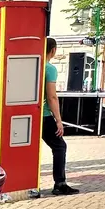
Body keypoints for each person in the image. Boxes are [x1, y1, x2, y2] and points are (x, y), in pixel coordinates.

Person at [42, 38, 79, 195]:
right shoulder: (49, 69)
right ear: (53, 50)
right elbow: (51, 97)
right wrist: (58, 120)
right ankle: (60, 183)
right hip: (44, 115)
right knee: (60, 146)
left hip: (30, 115)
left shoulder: (34, 66)